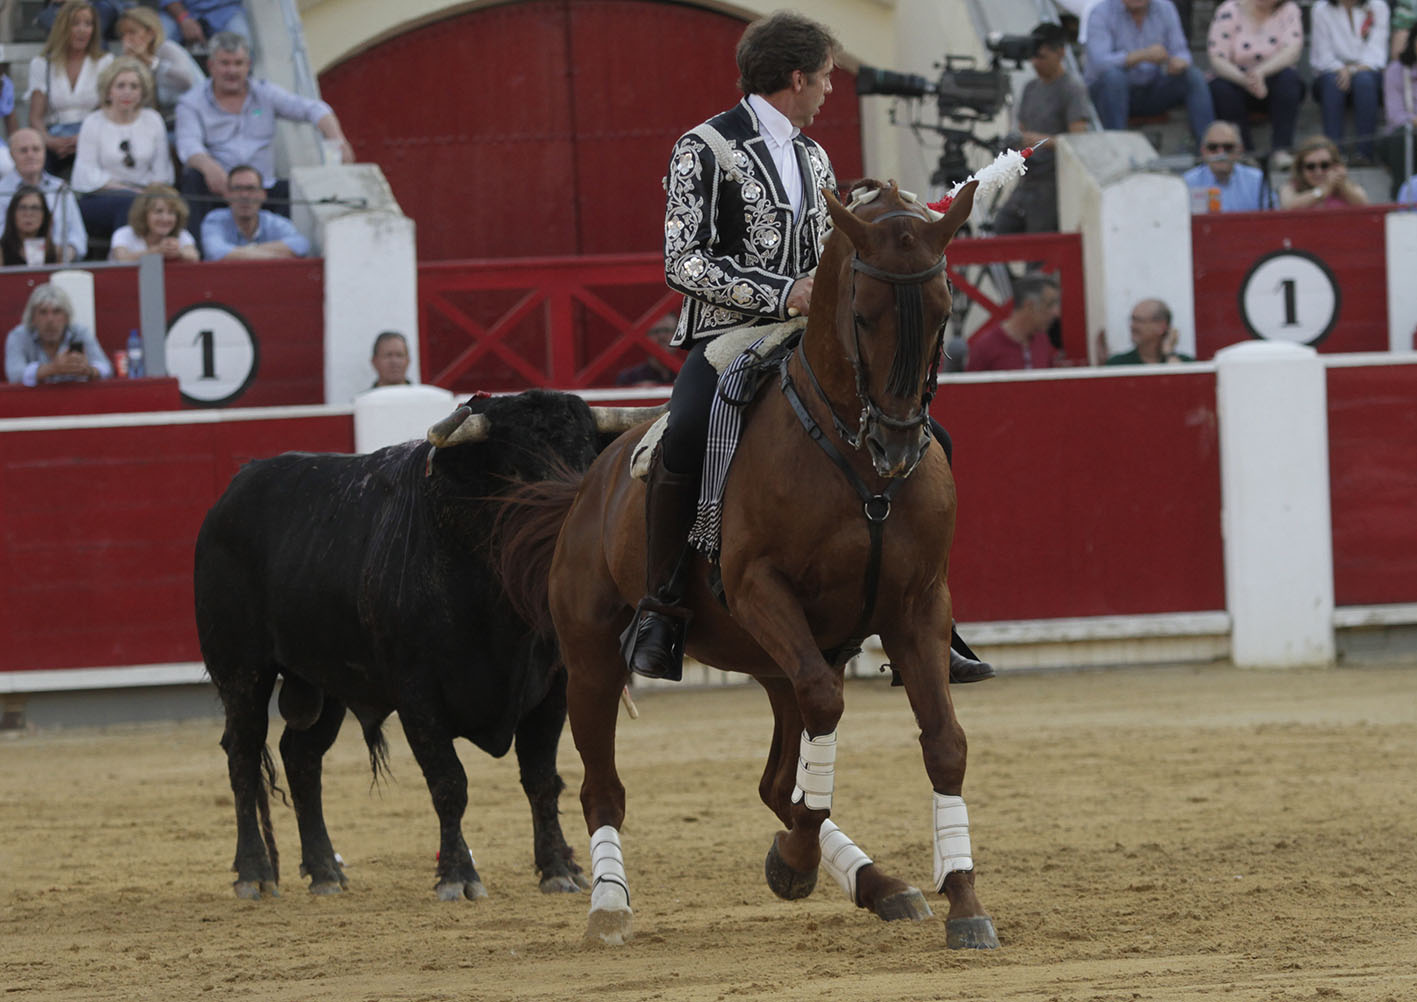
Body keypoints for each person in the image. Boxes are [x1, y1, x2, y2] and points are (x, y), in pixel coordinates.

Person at [629, 10, 993, 685]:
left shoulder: (811, 155)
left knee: (929, 434)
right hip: (727, 335)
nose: (830, 89)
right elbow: (683, 262)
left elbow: (824, 255)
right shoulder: (703, 146)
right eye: (825, 77)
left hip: (811, 334)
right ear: (796, 77)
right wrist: (782, 294)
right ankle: (661, 606)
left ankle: (925, 616)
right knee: (682, 435)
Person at [176, 32, 355, 236]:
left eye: (238, 63)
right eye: (225, 63)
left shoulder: (265, 92)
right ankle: (196, 254)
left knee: (294, 190)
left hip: (262, 188)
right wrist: (208, 167)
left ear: (248, 65)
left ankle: (292, 253)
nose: (232, 70)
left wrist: (337, 139)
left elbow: (313, 109)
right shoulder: (191, 102)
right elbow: (188, 145)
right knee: (193, 177)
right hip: (219, 186)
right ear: (211, 66)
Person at [993, 22, 1094, 235]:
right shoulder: (1030, 88)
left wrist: (1040, 140)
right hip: (1027, 180)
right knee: (1000, 228)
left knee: (1039, 248)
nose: (1035, 63)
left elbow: (1079, 142)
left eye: (1042, 57)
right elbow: (1021, 131)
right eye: (1033, 57)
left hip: (1052, 183)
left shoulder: (1072, 89)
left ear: (1060, 53)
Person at [1084, 0, 1215, 145]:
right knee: (1113, 78)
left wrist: (1178, 62)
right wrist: (1142, 55)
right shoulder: (1101, 12)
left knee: (1193, 76)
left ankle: (1209, 146)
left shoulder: (1165, 7)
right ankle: (1115, 146)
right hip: (1110, 94)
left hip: (1153, 88)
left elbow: (1182, 53)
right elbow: (1099, 63)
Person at [71, 57, 172, 244]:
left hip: (147, 196)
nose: (128, 92)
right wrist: (129, 191)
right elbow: (85, 174)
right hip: (102, 197)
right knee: (129, 204)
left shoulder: (153, 120)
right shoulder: (93, 122)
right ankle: (124, 261)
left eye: (134, 86)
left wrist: (146, 194)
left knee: (164, 208)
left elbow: (162, 172)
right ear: (109, 91)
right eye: (121, 86)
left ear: (143, 92)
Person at [26, 0, 115, 178]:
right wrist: (50, 142)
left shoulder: (105, 62)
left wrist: (83, 137)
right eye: (75, 23)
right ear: (63, 28)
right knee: (39, 160)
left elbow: (109, 109)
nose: (82, 30)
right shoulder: (41, 64)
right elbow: (35, 118)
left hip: (93, 134)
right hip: (54, 137)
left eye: (88, 24)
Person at [1205, 0, 1305, 154]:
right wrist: (1246, 80)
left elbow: (1292, 52)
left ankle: (1282, 150)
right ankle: (1244, 153)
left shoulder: (1289, 9)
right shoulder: (1229, 9)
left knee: (1289, 79)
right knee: (1220, 88)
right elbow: (1217, 58)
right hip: (1235, 78)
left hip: (1272, 77)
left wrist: (1260, 73)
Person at [1310, 0, 1391, 164]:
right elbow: (1322, 55)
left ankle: (1364, 154)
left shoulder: (1379, 7)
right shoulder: (1320, 9)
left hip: (1367, 73)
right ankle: (1333, 155)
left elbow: (1377, 54)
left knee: (1364, 82)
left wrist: (1351, 70)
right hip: (1330, 73)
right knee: (1333, 82)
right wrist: (1340, 68)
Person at [0, 129, 87, 261]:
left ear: (44, 152)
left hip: (57, 264)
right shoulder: (1, 191)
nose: (30, 155)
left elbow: (78, 236)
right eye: (23, 150)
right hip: (11, 265)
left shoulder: (61, 188)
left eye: (36, 149)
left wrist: (65, 254)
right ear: (11, 155)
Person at [4, 282, 112, 385]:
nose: (50, 319)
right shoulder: (18, 336)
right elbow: (14, 375)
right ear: (32, 318)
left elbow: (106, 369)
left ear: (66, 317)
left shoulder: (79, 332)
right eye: (43, 312)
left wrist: (89, 371)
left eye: (56, 312)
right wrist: (52, 369)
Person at [116, 5, 204, 129]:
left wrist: (151, 62)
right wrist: (127, 65)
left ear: (150, 34)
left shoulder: (167, 49)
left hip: (193, 118)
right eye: (123, 35)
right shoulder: (130, 60)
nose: (126, 39)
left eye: (132, 32)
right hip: (162, 122)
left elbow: (186, 81)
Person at [200, 164, 312, 260]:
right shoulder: (215, 219)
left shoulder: (272, 221)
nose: (244, 195)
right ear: (228, 195)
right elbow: (215, 252)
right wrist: (272, 255)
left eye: (251, 188)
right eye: (237, 188)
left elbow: (301, 244)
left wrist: (245, 251)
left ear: (263, 195)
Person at [965, 273, 1063, 371]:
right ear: (1029, 306)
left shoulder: (1043, 341)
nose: (1056, 313)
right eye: (1049, 305)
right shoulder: (986, 347)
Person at [1183, 120, 1275, 210]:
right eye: (1213, 147)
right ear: (1203, 151)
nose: (1221, 153)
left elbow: (1272, 219)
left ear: (1239, 150)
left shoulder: (1257, 181)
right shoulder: (1188, 183)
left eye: (1228, 147)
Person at [108, 183, 199, 262]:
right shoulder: (124, 234)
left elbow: (194, 257)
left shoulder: (182, 234)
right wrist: (156, 251)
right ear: (144, 213)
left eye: (171, 212)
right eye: (158, 211)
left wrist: (178, 252)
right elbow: (122, 259)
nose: (165, 218)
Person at [1278, 135, 1371, 206]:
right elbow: (1289, 206)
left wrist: (1342, 185)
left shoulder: (1346, 187)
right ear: (1300, 168)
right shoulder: (1290, 188)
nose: (1318, 172)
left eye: (1324, 165)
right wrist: (1322, 191)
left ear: (1335, 165)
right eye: (1310, 166)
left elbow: (1365, 205)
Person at [1379, 27, 1417, 196]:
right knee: (1401, 137)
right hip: (1407, 134)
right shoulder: (1396, 70)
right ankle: (1401, 199)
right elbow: (1395, 116)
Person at [1104, 298, 1195, 363]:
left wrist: (1169, 353)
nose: (1132, 326)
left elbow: (1182, 382)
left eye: (1139, 321)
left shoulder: (1186, 363)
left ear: (1161, 327)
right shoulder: (1118, 364)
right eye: (1132, 320)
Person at [0, 186, 62, 266]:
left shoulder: (56, 253)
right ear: (12, 213)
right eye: (22, 208)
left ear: (44, 214)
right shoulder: (1, 251)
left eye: (35, 208)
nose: (28, 214)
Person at [615, 312, 678, 385]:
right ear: (646, 336)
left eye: (667, 330)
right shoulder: (629, 378)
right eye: (655, 331)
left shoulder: (691, 375)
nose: (662, 336)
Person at [157, 0, 251, 49]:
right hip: (180, 9)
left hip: (225, 10)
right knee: (156, 42)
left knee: (242, 45)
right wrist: (183, 18)